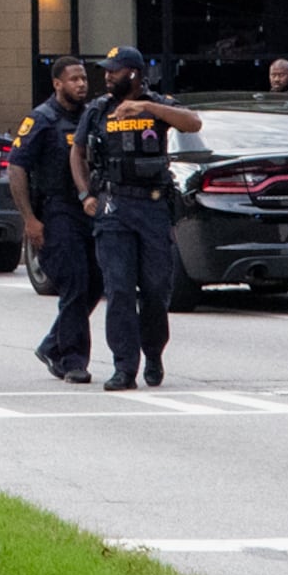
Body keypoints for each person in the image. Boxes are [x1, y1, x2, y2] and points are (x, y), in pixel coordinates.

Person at [71, 46, 203, 393]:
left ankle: (154, 354)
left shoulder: (158, 105)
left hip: (153, 208)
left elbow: (193, 122)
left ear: (133, 74)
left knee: (157, 290)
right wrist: (86, 194)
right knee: (119, 290)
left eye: (114, 71)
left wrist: (145, 107)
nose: (107, 76)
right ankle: (124, 367)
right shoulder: (99, 110)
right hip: (114, 208)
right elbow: (78, 151)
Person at [5, 56, 99, 385]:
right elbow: (16, 169)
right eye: (74, 79)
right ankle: (73, 359)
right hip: (56, 209)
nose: (81, 84)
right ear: (57, 84)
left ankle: (51, 344)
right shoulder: (41, 119)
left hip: (88, 208)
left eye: (84, 78)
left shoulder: (91, 117)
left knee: (96, 283)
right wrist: (30, 219)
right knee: (73, 282)